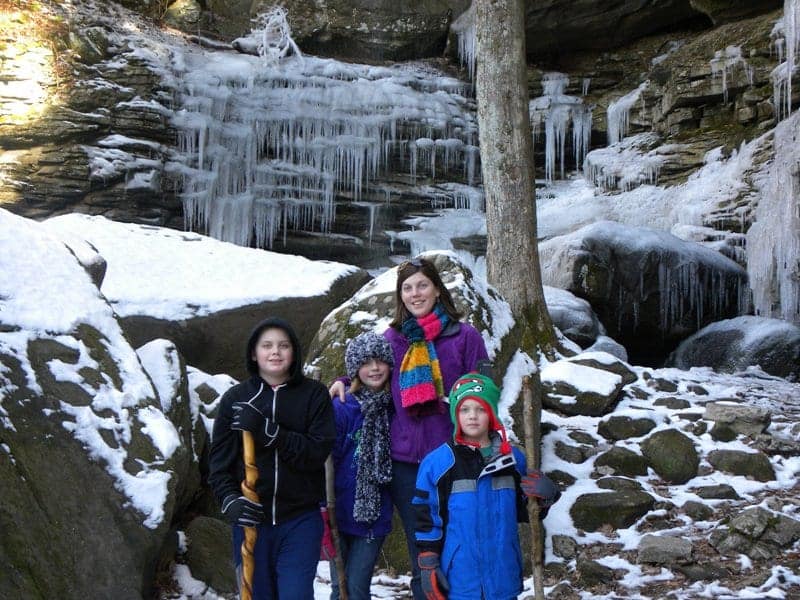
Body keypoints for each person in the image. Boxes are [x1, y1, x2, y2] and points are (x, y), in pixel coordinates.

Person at [330, 256, 489, 599]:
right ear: (400, 295)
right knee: (422, 556)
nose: (415, 294)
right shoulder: (394, 338)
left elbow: (485, 391)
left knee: (454, 550)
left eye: (422, 285)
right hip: (404, 466)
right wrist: (342, 381)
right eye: (407, 288)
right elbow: (370, 371)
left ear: (437, 289)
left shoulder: (465, 337)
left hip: (451, 460)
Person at [208, 317, 336, 600]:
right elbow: (219, 465)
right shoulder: (235, 399)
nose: (275, 351)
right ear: (254, 353)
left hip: (300, 520)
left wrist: (269, 432)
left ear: (294, 352)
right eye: (267, 345)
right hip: (252, 521)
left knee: (296, 595)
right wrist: (230, 500)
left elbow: (316, 453)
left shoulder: (314, 395)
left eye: (283, 345)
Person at [412, 372, 560, 600]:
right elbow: (426, 515)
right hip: (461, 579)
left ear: (491, 413)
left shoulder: (513, 460)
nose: (472, 416)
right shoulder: (438, 464)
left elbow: (524, 511)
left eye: (480, 409)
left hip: (503, 575)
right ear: (455, 414)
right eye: (464, 409)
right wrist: (428, 561)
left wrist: (544, 498)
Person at [327, 331, 395, 600]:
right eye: (366, 363)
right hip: (339, 510)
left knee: (356, 588)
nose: (374, 368)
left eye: (380, 360)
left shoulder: (395, 406)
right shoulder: (342, 407)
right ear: (355, 369)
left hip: (374, 516)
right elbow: (327, 458)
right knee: (339, 587)